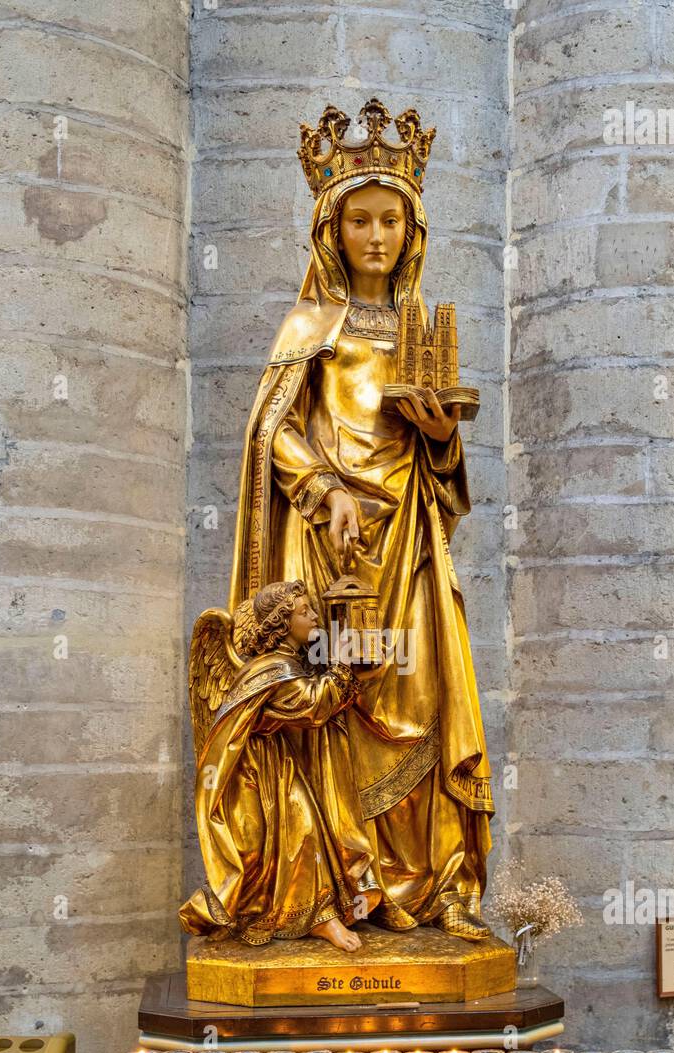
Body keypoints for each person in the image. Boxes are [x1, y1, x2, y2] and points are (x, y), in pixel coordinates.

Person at [228, 100, 494, 940]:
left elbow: (442, 464)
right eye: (359, 220)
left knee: (422, 691)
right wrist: (323, 487)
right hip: (332, 541)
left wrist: (442, 437)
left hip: (409, 538)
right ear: (331, 228)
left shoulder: (421, 327)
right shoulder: (312, 325)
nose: (375, 236)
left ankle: (429, 886)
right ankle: (346, 888)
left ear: (411, 232)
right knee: (335, 703)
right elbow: (273, 430)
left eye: (390, 221)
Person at [179, 581, 381, 952]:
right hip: (255, 771)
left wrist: (353, 674)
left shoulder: (287, 662)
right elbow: (311, 706)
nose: (315, 616)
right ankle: (290, 914)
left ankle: (321, 917)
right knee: (297, 833)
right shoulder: (273, 669)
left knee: (302, 833)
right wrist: (343, 666)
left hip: (275, 762)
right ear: (282, 623)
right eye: (305, 611)